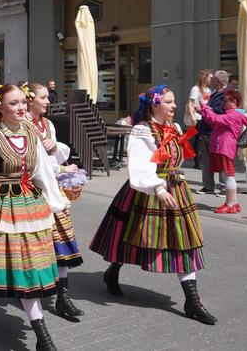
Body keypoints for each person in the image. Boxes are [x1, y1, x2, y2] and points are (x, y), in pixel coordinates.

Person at [89, 85, 216, 325]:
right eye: (169, 101)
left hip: (176, 190)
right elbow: (139, 165)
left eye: (174, 101)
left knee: (183, 241)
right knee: (129, 235)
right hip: (148, 189)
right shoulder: (141, 130)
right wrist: (157, 188)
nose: (174, 106)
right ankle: (113, 271)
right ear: (155, 104)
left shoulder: (174, 127)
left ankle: (192, 300)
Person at [0, 84, 68, 351]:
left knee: (18, 265)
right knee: (14, 266)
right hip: (3, 207)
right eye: (13, 103)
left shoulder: (31, 134)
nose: (21, 107)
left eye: (23, 102)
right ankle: (43, 339)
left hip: (31, 207)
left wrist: (56, 202)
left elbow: (43, 171)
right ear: (0, 107)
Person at [26, 82, 84, 320]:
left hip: (53, 191)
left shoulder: (47, 124)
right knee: (32, 248)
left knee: (62, 244)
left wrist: (55, 148)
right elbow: (33, 165)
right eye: (43, 98)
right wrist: (61, 166)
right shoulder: (23, 126)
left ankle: (62, 297)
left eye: (48, 97)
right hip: (33, 193)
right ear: (30, 100)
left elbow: (53, 156)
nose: (48, 102)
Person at [200, 90, 247, 214]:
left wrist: (205, 107)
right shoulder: (234, 114)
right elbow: (214, 119)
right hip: (225, 148)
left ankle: (230, 204)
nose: (223, 103)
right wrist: (207, 109)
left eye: (225, 100)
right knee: (227, 175)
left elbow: (215, 119)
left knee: (228, 175)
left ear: (234, 102)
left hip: (225, 148)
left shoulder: (233, 115)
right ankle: (234, 202)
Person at [195, 70, 229, 195]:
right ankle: (208, 186)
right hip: (206, 130)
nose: (210, 80)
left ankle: (225, 187)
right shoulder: (214, 92)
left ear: (219, 80)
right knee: (205, 160)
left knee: (221, 159)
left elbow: (224, 110)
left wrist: (207, 109)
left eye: (213, 78)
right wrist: (204, 111)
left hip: (218, 132)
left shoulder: (228, 94)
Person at [186, 70, 213, 169]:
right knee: (198, 140)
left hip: (206, 117)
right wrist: (193, 117)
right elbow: (191, 103)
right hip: (198, 117)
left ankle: (201, 160)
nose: (211, 80)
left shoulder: (208, 90)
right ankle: (197, 162)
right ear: (204, 78)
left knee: (203, 139)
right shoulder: (196, 89)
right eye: (210, 77)